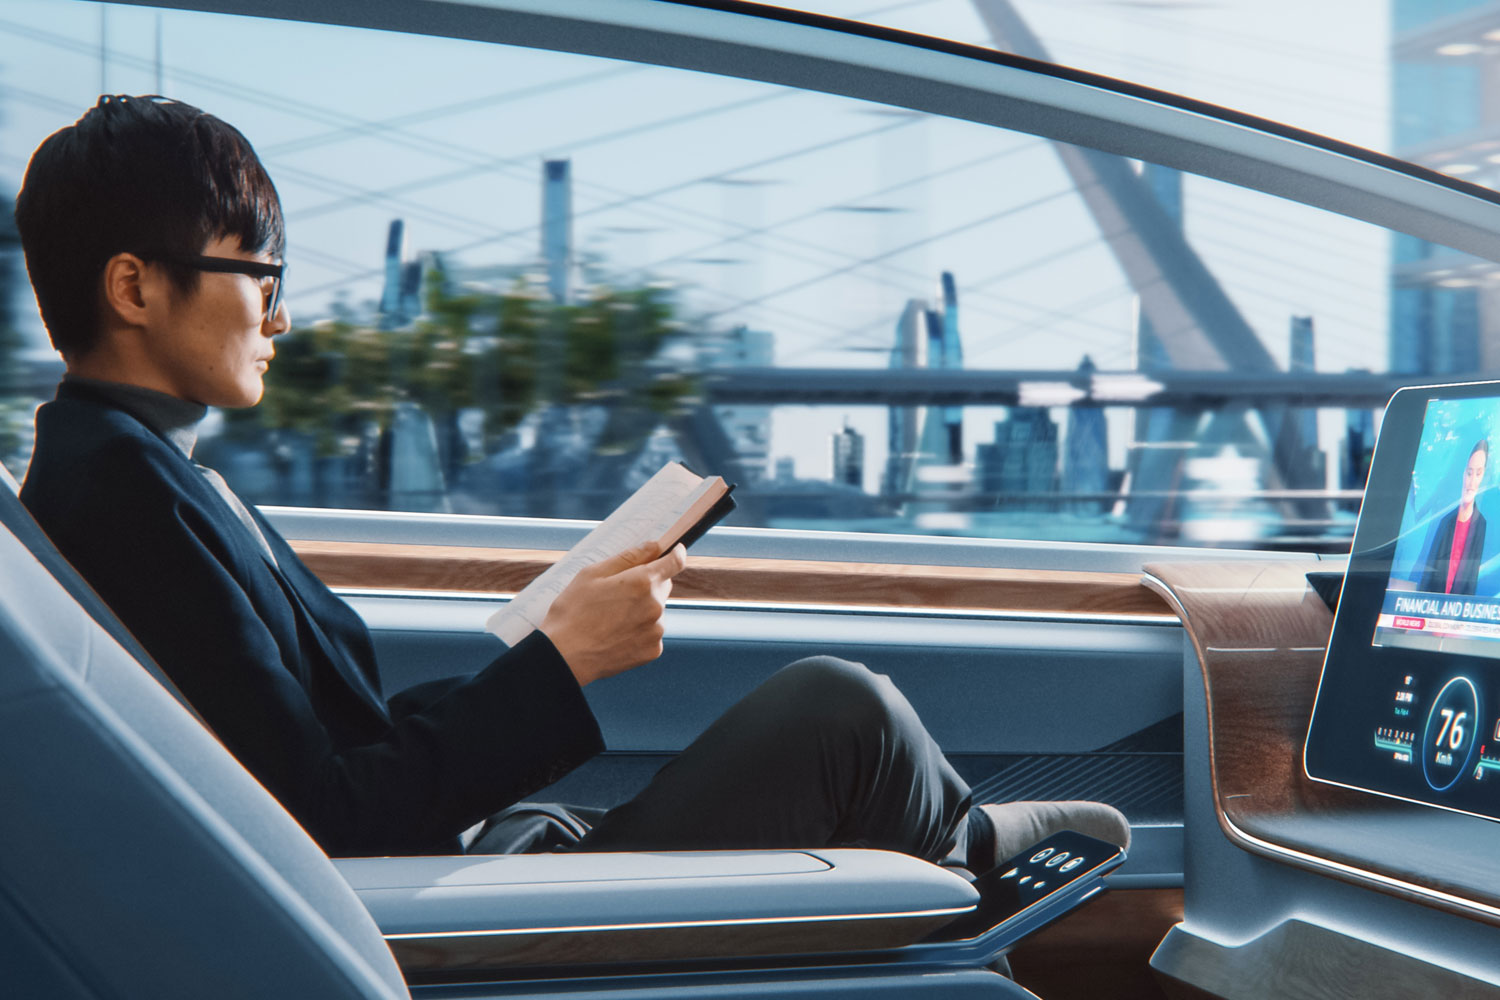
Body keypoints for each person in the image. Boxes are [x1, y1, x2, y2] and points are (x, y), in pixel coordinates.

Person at [14, 95, 1127, 872]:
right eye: (260, 275)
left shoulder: (139, 473)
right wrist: (563, 662)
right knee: (846, 714)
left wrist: (539, 648)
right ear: (135, 286)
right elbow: (325, 818)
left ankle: (955, 840)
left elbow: (320, 750)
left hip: (442, 861)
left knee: (838, 718)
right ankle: (966, 850)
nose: (282, 314)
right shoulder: (127, 500)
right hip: (408, 904)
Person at [1418, 440, 1489, 597]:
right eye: (1469, 472)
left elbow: (1473, 581)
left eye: (1478, 473)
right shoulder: (1445, 521)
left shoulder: (1483, 525)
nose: (1471, 482)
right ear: (1463, 474)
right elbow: (1427, 572)